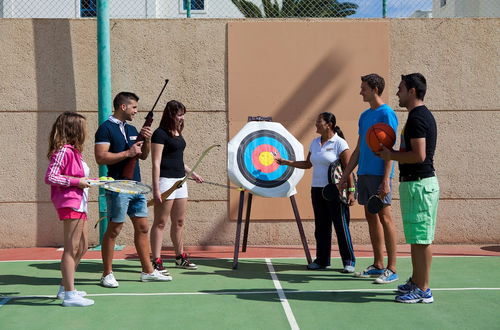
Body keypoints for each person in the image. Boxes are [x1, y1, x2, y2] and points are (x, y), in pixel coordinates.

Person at [95, 92, 171, 287]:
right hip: (117, 186)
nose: (136, 111)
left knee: (143, 227)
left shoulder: (132, 128)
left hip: (136, 186)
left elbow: (143, 156)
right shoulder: (105, 129)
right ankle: (107, 274)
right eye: (134, 107)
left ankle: (148, 271)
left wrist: (145, 141)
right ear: (123, 107)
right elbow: (101, 158)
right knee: (115, 229)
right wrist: (127, 152)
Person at [376, 73, 438, 303]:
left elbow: (419, 155)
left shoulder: (418, 118)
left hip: (420, 185)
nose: (397, 92)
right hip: (415, 185)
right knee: (417, 238)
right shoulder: (416, 116)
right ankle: (417, 280)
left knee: (422, 240)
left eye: (401, 88)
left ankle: (423, 289)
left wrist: (389, 154)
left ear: (412, 91)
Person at [275, 112, 356, 273]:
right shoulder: (314, 143)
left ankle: (349, 261)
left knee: (341, 226)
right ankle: (322, 260)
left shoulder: (340, 143)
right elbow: (307, 164)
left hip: (336, 191)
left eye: (319, 122)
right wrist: (286, 162)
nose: (316, 125)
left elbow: (348, 168)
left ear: (329, 124)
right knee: (321, 227)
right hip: (317, 191)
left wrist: (351, 191)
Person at [338, 73, 399, 284]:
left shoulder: (387, 114)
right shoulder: (364, 116)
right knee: (371, 218)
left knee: (386, 218)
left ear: (374, 89)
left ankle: (392, 268)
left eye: (363, 88)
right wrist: (345, 176)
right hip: (364, 173)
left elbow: (389, 149)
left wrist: (385, 179)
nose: (360, 91)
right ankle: (378, 264)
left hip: (379, 175)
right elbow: (358, 149)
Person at [45, 112, 94, 307]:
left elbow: (79, 179)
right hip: (70, 203)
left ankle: (65, 286)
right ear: (74, 129)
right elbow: (51, 177)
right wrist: (77, 181)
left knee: (82, 247)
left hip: (80, 203)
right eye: (83, 127)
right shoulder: (63, 151)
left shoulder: (75, 152)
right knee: (71, 247)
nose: (86, 131)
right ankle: (70, 294)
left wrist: (90, 181)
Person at [150, 100, 203, 273]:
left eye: (182, 114)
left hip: (181, 181)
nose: (182, 118)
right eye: (179, 114)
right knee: (160, 222)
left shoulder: (178, 132)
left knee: (179, 221)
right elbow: (156, 163)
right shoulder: (159, 134)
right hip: (165, 181)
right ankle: (155, 260)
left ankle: (179, 256)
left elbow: (178, 159)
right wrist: (157, 188)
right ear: (171, 114)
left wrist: (192, 174)